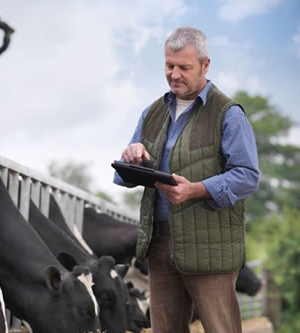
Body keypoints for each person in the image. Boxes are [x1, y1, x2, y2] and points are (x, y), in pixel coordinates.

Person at [113, 26, 259, 333]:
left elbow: (247, 176)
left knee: (221, 328)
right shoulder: (152, 112)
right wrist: (133, 157)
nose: (174, 74)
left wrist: (198, 189)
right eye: (169, 65)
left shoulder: (229, 114)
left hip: (211, 244)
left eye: (184, 67)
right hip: (160, 241)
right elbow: (122, 176)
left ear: (206, 66)